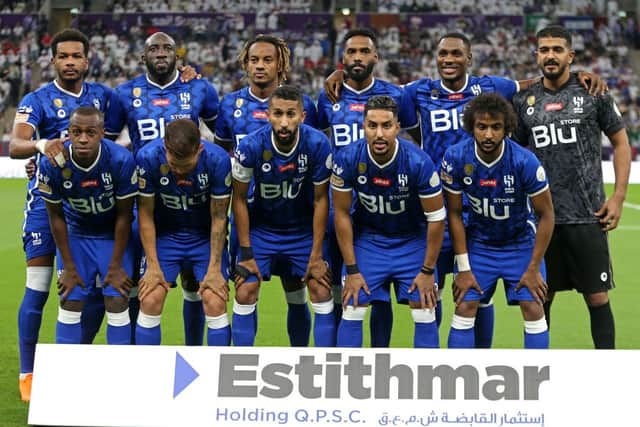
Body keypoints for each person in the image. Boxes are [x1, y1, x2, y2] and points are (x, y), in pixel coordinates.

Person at [9, 28, 114, 402]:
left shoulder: (105, 97)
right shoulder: (37, 99)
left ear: (88, 60)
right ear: (53, 60)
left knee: (97, 289)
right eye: (63, 56)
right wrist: (41, 145)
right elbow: (16, 142)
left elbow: (133, 130)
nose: (70, 62)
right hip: (45, 203)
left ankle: (72, 364)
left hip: (89, 207)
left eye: (76, 56)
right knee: (37, 287)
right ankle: (29, 374)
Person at [513, 25, 631, 349]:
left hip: (587, 216)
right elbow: (516, 155)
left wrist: (618, 197)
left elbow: (621, 144)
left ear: (570, 55)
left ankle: (607, 372)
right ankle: (537, 375)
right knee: (540, 298)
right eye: (544, 49)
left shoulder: (593, 93)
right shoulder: (522, 100)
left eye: (557, 49)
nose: (550, 55)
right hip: (541, 220)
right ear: (536, 55)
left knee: (597, 297)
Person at [105, 31, 219, 346]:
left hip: (193, 199)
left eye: (167, 47)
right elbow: (109, 143)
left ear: (177, 55)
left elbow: (222, 136)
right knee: (139, 283)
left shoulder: (198, 87)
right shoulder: (124, 94)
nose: (160, 52)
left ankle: (194, 351)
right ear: (142, 56)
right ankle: (133, 360)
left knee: (193, 284)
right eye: (153, 48)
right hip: (146, 200)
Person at [215, 35, 318, 346]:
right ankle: (241, 363)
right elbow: (222, 157)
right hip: (252, 218)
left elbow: (315, 149)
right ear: (245, 64)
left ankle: (301, 357)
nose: (260, 66)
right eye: (254, 60)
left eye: (267, 60)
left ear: (280, 64)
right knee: (246, 288)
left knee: (296, 288)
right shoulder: (230, 104)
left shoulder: (303, 103)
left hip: (296, 215)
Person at [331, 95, 445, 348]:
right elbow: (340, 213)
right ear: (363, 126)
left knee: (424, 307)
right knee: (353, 303)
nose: (379, 133)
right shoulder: (347, 159)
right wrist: (351, 269)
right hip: (369, 240)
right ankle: (349, 382)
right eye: (372, 126)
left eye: (386, 126)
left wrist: (427, 271)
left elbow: (437, 218)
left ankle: (426, 384)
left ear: (397, 127)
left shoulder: (418, 162)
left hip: (411, 240)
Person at [441, 93, 553, 349]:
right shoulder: (456, 158)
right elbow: (455, 214)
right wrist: (464, 267)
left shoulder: (524, 161)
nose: (488, 135)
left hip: (520, 244)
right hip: (480, 243)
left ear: (507, 128)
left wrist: (534, 267)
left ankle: (535, 383)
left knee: (534, 306)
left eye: (496, 127)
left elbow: (546, 215)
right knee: (466, 304)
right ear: (472, 127)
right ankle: (460, 380)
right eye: (482, 127)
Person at [316, 28, 405, 347]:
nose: (357, 57)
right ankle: (336, 361)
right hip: (337, 203)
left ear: (376, 57)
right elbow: (315, 144)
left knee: (378, 291)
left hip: (381, 205)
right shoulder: (328, 96)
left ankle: (379, 359)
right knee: (333, 285)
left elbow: (412, 143)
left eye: (364, 51)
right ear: (342, 58)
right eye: (351, 52)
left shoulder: (396, 95)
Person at [231, 85, 334, 347]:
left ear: (302, 116)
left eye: (291, 114)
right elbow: (239, 199)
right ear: (268, 115)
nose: (284, 122)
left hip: (302, 230)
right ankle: (241, 365)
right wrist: (246, 253)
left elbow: (322, 199)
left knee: (320, 289)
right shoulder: (251, 146)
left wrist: (316, 255)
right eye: (278, 114)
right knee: (245, 289)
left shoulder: (318, 144)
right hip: (262, 230)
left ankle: (317, 365)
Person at [38, 106, 137, 346]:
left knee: (117, 300)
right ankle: (67, 375)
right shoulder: (51, 164)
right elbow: (56, 217)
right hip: (76, 234)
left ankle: (120, 373)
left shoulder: (120, 160)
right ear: (69, 133)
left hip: (112, 235)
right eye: (77, 132)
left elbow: (125, 215)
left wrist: (114, 266)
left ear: (102, 133)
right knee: (70, 299)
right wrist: (69, 266)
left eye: (90, 132)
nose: (83, 138)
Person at [134, 119, 232, 346]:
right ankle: (147, 374)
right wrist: (152, 266)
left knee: (215, 299)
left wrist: (215, 269)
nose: (179, 170)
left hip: (203, 237)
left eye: (186, 165)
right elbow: (145, 215)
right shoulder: (147, 158)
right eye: (174, 164)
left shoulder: (217, 160)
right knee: (150, 298)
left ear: (200, 148)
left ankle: (214, 373)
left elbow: (219, 217)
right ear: (165, 148)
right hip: (165, 236)